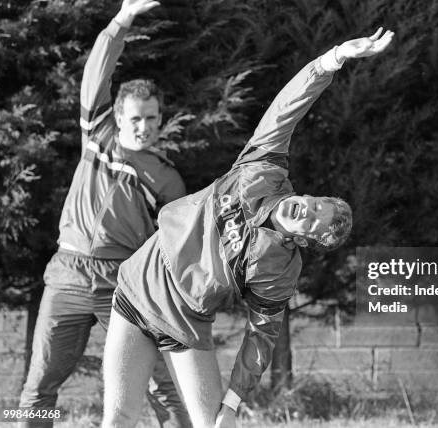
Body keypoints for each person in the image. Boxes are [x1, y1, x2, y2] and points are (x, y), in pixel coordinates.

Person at [101, 27, 394, 428]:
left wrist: (234, 402)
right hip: (137, 287)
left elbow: (261, 337)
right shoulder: (261, 170)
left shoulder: (279, 269)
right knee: (118, 417)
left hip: (184, 323)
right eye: (315, 202)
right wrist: (334, 58)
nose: (307, 209)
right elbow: (285, 110)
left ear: (304, 241)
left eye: (313, 221)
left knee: (211, 426)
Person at [19, 1, 191, 427]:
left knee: (160, 384)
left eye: (151, 118)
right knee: (40, 381)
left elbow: (172, 250)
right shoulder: (97, 135)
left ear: (160, 119)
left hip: (123, 285)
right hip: (68, 274)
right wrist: (122, 20)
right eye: (135, 118)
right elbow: (97, 71)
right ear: (117, 117)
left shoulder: (167, 181)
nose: (143, 127)